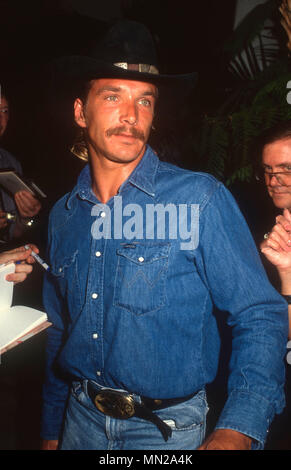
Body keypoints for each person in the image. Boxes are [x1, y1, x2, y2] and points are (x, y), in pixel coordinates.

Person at [40, 20, 288, 451]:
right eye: (112, 95)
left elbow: (260, 314)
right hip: (78, 419)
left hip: (167, 431)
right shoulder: (64, 215)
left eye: (146, 100)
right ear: (81, 111)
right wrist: (48, 430)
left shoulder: (200, 199)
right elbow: (58, 331)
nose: (131, 115)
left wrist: (239, 429)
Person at [258, 121, 291, 339]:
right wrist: (287, 273)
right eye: (268, 170)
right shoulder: (267, 231)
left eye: (287, 168)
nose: (274, 180)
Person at [0, 90, 42, 241]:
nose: (0, 118)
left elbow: (15, 234)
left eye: (4, 111)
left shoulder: (11, 163)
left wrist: (25, 218)